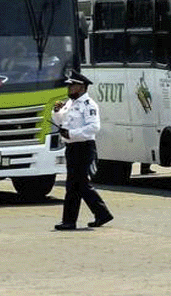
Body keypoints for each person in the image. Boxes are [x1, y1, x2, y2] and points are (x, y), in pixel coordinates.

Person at [52, 70, 113, 231]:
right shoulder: (70, 103)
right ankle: (97, 214)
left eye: (73, 85)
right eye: (69, 85)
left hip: (84, 148)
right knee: (75, 185)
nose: (69, 88)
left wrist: (71, 134)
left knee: (79, 185)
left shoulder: (89, 105)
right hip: (71, 147)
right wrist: (56, 112)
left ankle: (80, 218)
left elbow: (94, 127)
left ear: (82, 87)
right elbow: (61, 120)